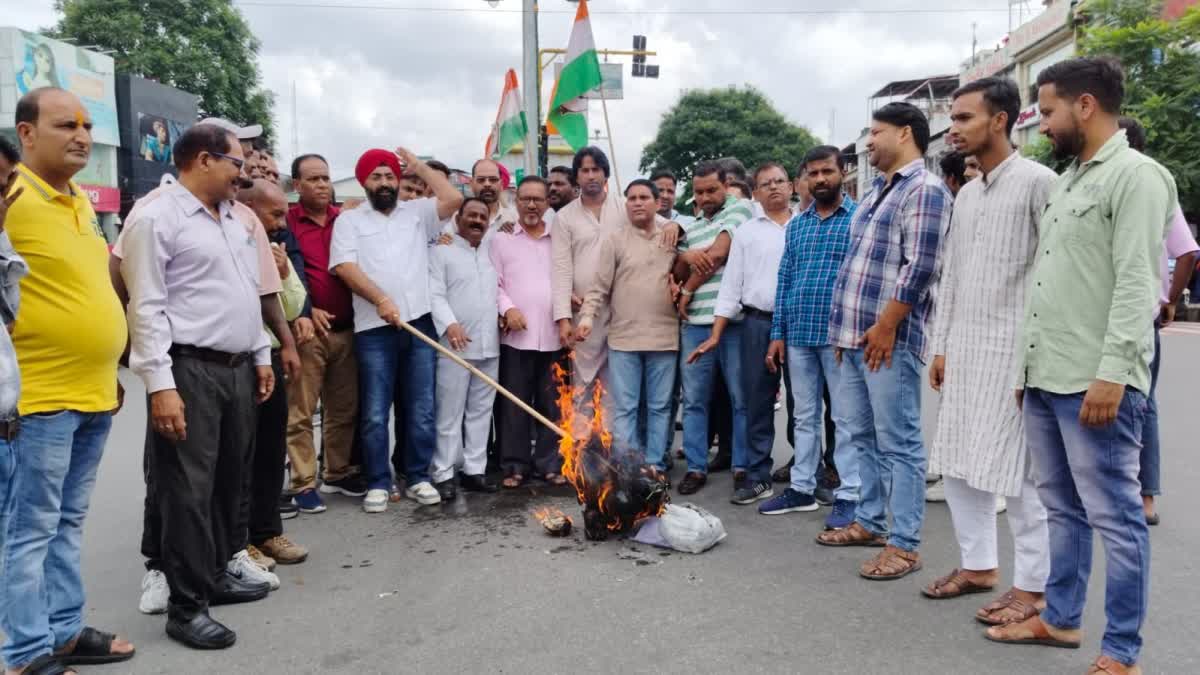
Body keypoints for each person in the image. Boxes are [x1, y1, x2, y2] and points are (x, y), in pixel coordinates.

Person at [985, 58, 1175, 675]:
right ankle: (1062, 620)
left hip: (1095, 380)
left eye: (1048, 110)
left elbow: (1134, 285)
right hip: (1046, 376)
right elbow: (1048, 285)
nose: (1041, 123)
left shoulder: (1137, 177)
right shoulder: (1068, 181)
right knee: (1061, 508)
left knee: (1116, 519)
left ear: (1086, 106)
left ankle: (1122, 652)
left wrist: (1114, 373)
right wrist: (1024, 372)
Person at [123, 123, 276, 650]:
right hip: (188, 369)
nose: (244, 173)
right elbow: (145, 305)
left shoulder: (234, 219)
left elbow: (245, 293)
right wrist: (160, 384)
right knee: (186, 490)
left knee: (228, 480)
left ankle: (213, 575)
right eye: (237, 163)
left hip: (236, 367)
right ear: (205, 160)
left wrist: (259, 353)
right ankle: (186, 608)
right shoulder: (156, 216)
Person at [1, 87, 136, 673]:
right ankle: (26, 651)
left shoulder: (81, 199)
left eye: (85, 125)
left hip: (93, 393)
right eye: (65, 125)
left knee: (67, 522)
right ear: (27, 134)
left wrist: (108, 371)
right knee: (29, 530)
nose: (82, 135)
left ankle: (63, 630)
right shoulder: (11, 198)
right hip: (39, 398)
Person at [921, 77, 1056, 629]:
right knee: (958, 464)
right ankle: (979, 566)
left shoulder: (1039, 183)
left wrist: (1036, 359)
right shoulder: (968, 194)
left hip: (1014, 355)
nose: (953, 129)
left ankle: (1033, 587)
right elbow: (951, 275)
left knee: (1021, 477)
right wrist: (941, 345)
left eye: (963, 118)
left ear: (1000, 120)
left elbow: (1053, 277)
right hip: (966, 351)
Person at [814, 102, 949, 584]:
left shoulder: (926, 190)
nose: (868, 142)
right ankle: (870, 523)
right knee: (859, 434)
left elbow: (922, 267)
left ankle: (905, 543)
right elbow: (855, 267)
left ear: (906, 134)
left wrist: (888, 325)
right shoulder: (875, 193)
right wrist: (841, 334)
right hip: (853, 339)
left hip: (887, 340)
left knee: (900, 443)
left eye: (876, 132)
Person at [330, 148, 463, 512]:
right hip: (374, 328)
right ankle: (378, 480)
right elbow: (344, 266)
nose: (385, 183)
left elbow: (453, 198)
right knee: (375, 410)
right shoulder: (350, 221)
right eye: (377, 176)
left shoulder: (417, 213)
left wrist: (419, 168)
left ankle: (418, 476)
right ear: (364, 182)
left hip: (418, 321)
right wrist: (380, 299)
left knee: (421, 407)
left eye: (390, 176)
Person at [759, 147, 861, 530]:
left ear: (842, 172)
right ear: (804, 179)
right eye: (813, 173)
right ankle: (802, 488)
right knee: (803, 416)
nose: (820, 179)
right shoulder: (797, 225)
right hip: (799, 334)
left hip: (839, 336)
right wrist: (777, 334)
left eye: (827, 171)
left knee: (845, 417)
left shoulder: (858, 218)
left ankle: (850, 494)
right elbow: (785, 280)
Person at [688, 162, 794, 508]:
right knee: (756, 401)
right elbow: (731, 287)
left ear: (791, 186)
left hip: (801, 324)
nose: (774, 188)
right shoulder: (747, 231)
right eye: (766, 184)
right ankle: (757, 475)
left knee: (804, 404)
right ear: (756, 194)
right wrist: (716, 334)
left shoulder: (805, 226)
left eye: (779, 181)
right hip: (757, 323)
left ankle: (808, 476)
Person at [1116, 116, 1198, 527]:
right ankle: (1137, 494)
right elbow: (1185, 253)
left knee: (1140, 403)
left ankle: (1145, 494)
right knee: (1137, 403)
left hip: (1133, 315)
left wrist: (1166, 301)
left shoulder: (1149, 185)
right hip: (1126, 313)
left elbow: (1187, 252)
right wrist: (1168, 301)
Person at [577, 179, 679, 470]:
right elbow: (599, 287)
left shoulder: (672, 237)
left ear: (657, 203)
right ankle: (628, 469)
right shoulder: (615, 240)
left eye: (644, 197)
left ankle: (655, 467)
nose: (637, 202)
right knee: (625, 409)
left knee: (660, 408)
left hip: (664, 339)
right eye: (631, 198)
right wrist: (586, 318)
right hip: (623, 339)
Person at [235, 180, 310, 567]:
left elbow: (296, 304)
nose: (282, 223)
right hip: (236, 360)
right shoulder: (231, 241)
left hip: (273, 358)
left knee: (269, 450)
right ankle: (239, 539)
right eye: (275, 213)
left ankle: (267, 532)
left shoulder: (276, 248)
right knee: (239, 455)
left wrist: (282, 274)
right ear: (247, 208)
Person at [286, 153, 364, 514]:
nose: (322, 185)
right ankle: (303, 482)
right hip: (308, 332)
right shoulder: (287, 223)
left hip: (348, 329)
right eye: (313, 179)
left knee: (342, 409)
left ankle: (336, 471)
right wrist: (306, 310)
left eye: (325, 178)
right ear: (297, 184)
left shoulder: (346, 221)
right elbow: (285, 275)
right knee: (302, 411)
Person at [672, 160, 755, 498]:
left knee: (740, 397)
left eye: (712, 190)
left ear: (726, 186)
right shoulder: (689, 227)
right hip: (694, 325)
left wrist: (690, 285)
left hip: (734, 323)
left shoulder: (740, 209)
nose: (705, 197)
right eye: (699, 192)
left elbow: (718, 255)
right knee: (694, 400)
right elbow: (678, 268)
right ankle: (695, 466)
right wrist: (688, 255)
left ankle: (742, 466)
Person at [490, 176, 567, 488]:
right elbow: (492, 282)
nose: (532, 205)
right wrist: (508, 308)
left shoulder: (559, 239)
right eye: (526, 199)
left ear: (547, 203)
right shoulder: (501, 240)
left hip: (554, 335)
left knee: (552, 405)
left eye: (538, 199)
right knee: (514, 405)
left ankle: (550, 464)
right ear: (516, 202)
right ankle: (514, 466)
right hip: (516, 337)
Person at [429, 198, 501, 500]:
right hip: (454, 346)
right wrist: (449, 324)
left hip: (490, 345)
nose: (477, 221)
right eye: (471, 215)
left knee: (481, 412)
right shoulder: (441, 250)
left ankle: (474, 470)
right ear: (458, 219)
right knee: (450, 412)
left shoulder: (491, 250)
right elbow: (434, 293)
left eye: (482, 217)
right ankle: (444, 472)